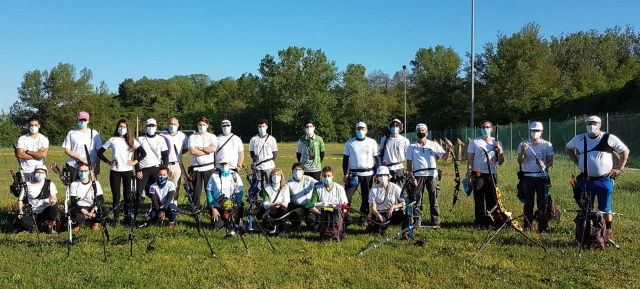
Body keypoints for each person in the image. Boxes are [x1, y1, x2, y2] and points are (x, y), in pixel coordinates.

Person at [565, 116, 629, 240]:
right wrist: (575, 160)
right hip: (586, 180)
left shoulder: (609, 138)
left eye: (594, 123)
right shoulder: (580, 138)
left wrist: (619, 167)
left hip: (604, 179)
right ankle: (585, 231)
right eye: (589, 123)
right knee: (585, 207)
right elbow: (568, 148)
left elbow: (625, 151)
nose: (591, 126)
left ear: (600, 125)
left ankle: (607, 230)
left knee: (605, 209)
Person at [98, 119, 146, 226]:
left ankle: (127, 217)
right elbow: (100, 152)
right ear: (117, 128)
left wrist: (134, 162)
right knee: (116, 195)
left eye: (124, 127)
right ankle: (116, 219)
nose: (122, 129)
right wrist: (108, 161)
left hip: (128, 172)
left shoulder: (132, 140)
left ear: (127, 128)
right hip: (115, 171)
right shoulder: (112, 140)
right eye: (120, 126)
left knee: (127, 196)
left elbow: (143, 153)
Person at [406, 124, 450, 228]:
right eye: (418, 130)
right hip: (418, 175)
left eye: (422, 130)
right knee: (417, 199)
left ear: (426, 132)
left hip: (432, 175)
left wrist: (448, 149)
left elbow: (444, 158)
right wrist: (412, 177)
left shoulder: (433, 145)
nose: (420, 132)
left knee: (433, 199)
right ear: (416, 132)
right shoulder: (412, 147)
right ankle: (417, 220)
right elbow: (408, 164)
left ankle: (436, 221)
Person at [466, 120, 505, 229]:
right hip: (478, 173)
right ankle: (479, 223)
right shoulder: (474, 142)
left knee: (492, 199)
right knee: (478, 199)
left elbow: (501, 162)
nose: (485, 129)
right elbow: (470, 160)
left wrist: (500, 149)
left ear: (492, 129)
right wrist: (469, 174)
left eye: (487, 127)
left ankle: (491, 222)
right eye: (483, 127)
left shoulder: (496, 142)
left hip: (491, 174)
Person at [517, 122, 554, 232]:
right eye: (533, 130)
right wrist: (523, 151)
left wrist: (545, 165)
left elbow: (550, 161)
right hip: (527, 177)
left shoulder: (546, 145)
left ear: (541, 132)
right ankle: (527, 226)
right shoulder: (523, 144)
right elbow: (519, 161)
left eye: (537, 131)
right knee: (528, 203)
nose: (535, 133)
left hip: (541, 177)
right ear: (530, 131)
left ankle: (542, 227)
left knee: (542, 203)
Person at [343, 121, 380, 223]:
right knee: (346, 196)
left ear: (366, 130)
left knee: (366, 197)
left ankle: (364, 217)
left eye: (362, 129)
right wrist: (345, 174)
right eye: (358, 129)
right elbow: (345, 160)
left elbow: (377, 159)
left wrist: (377, 173)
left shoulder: (372, 142)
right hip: (353, 174)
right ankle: (344, 215)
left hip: (368, 174)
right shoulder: (350, 143)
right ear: (355, 130)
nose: (360, 131)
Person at [305, 166, 352, 237]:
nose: (326, 178)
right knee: (309, 218)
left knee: (348, 219)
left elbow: (344, 208)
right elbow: (312, 207)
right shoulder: (317, 188)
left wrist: (337, 213)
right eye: (324, 176)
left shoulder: (339, 188)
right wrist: (321, 214)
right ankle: (319, 227)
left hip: (336, 213)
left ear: (332, 176)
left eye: (328, 176)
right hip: (321, 212)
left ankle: (339, 228)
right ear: (322, 176)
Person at [205, 157, 245, 236]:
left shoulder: (235, 175)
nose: (224, 166)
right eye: (222, 164)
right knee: (218, 228)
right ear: (219, 165)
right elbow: (209, 192)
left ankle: (237, 220)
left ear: (229, 164)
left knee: (233, 226)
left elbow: (240, 191)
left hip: (233, 206)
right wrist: (213, 207)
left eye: (225, 163)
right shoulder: (214, 176)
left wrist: (237, 204)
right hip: (218, 207)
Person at [16, 165, 58, 234]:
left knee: (55, 205)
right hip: (31, 211)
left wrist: (53, 200)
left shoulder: (50, 184)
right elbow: (20, 199)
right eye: (38, 172)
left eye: (42, 172)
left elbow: (54, 198)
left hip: (45, 210)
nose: (40, 174)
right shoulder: (26, 185)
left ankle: (50, 226)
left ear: (46, 174)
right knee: (24, 223)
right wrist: (20, 211)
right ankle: (36, 224)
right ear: (34, 173)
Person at [62, 111, 103, 182]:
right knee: (73, 189)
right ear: (77, 120)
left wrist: (97, 166)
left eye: (84, 120)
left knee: (90, 190)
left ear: (88, 121)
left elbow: (98, 151)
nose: (82, 122)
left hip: (90, 167)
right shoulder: (71, 133)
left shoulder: (94, 133)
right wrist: (80, 158)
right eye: (80, 120)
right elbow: (67, 150)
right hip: (73, 166)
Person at [68, 163, 109, 232]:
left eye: (85, 171)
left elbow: (101, 199)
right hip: (80, 208)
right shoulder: (74, 184)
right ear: (77, 172)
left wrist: (94, 210)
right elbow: (73, 201)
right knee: (78, 216)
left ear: (89, 172)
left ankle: (95, 223)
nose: (82, 173)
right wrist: (84, 211)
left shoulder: (95, 183)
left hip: (92, 207)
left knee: (105, 210)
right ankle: (76, 225)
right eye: (80, 171)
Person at [368, 166, 408, 236]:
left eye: (384, 175)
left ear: (388, 176)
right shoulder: (374, 189)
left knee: (407, 215)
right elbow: (373, 208)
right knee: (380, 224)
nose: (382, 177)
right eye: (380, 175)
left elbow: (403, 202)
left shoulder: (394, 187)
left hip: (393, 212)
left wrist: (393, 207)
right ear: (377, 177)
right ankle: (381, 228)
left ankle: (405, 233)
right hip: (380, 213)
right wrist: (377, 214)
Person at [137, 118, 169, 203]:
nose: (151, 128)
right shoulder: (140, 139)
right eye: (149, 126)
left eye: (153, 126)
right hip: (143, 168)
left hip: (156, 168)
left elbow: (165, 155)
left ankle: (158, 209)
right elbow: (136, 156)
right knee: (139, 192)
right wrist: (137, 170)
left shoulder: (160, 139)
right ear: (146, 127)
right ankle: (134, 212)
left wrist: (165, 168)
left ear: (156, 127)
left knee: (158, 191)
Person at [188, 117, 217, 209]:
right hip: (196, 168)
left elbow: (213, 149)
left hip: (209, 168)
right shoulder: (193, 137)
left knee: (209, 189)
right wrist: (206, 150)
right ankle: (195, 207)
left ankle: (211, 207)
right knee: (196, 190)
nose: (201, 126)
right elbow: (192, 151)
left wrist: (199, 148)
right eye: (200, 125)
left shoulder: (212, 136)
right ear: (197, 125)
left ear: (207, 125)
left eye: (203, 125)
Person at [15, 116, 49, 181]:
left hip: (39, 171)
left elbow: (43, 155)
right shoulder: (22, 138)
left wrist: (27, 152)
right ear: (28, 126)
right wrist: (37, 155)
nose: (33, 127)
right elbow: (20, 155)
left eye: (35, 125)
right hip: (25, 171)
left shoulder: (44, 139)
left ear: (39, 126)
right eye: (31, 125)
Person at [286, 162, 319, 231]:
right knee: (288, 206)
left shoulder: (309, 179)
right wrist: (295, 209)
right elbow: (285, 199)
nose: (297, 172)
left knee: (310, 219)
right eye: (295, 170)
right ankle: (295, 223)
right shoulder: (288, 182)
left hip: (308, 206)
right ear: (292, 172)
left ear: (303, 171)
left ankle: (313, 224)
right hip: (295, 206)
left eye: (299, 170)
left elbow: (317, 184)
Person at [162, 117, 189, 199]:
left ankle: (174, 203)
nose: (172, 125)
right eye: (171, 124)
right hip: (164, 164)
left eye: (174, 124)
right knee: (163, 185)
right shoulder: (162, 135)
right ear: (168, 124)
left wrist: (178, 155)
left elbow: (185, 148)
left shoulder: (183, 136)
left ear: (178, 125)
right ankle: (163, 202)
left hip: (177, 164)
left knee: (176, 185)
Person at [258, 168, 290, 237]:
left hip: (280, 211)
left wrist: (272, 205)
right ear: (270, 176)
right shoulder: (266, 188)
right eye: (273, 175)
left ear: (281, 177)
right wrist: (277, 203)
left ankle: (282, 229)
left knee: (284, 209)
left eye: (278, 175)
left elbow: (285, 203)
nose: (276, 176)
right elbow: (265, 205)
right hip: (270, 212)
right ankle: (272, 227)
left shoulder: (285, 187)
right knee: (266, 223)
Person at [379, 119, 410, 185]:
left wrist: (408, 168)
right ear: (390, 127)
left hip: (399, 168)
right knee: (386, 188)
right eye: (393, 126)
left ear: (400, 128)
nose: (395, 127)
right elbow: (380, 153)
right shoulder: (384, 139)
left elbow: (408, 156)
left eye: (397, 126)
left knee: (399, 189)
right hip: (386, 168)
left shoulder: (405, 140)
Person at [249, 119, 278, 190]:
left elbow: (274, 153)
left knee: (270, 184)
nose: (261, 128)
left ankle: (270, 199)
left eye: (263, 126)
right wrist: (255, 160)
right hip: (258, 167)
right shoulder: (253, 139)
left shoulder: (271, 139)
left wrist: (268, 161)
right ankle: (259, 200)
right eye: (260, 126)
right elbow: (251, 152)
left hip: (269, 166)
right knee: (258, 186)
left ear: (267, 127)